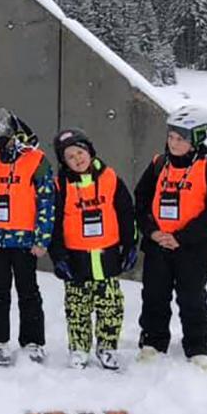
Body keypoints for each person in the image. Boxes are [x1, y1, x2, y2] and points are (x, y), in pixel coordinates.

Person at [133, 104, 207, 370]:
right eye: (171, 137)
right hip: (158, 245)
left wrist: (182, 238)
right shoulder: (159, 164)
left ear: (196, 139)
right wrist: (152, 231)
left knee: (192, 297)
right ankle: (153, 341)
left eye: (181, 139)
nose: (173, 143)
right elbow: (140, 201)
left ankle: (198, 346)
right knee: (154, 295)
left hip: (192, 248)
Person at [0, 108, 54, 366]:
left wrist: (42, 239)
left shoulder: (36, 162)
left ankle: (32, 341)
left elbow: (47, 201)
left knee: (28, 291)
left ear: (4, 140)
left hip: (25, 242)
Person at [49, 128, 136, 370]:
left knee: (111, 307)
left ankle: (107, 347)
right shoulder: (61, 186)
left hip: (107, 258)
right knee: (77, 309)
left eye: (80, 152)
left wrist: (130, 245)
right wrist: (58, 257)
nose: (77, 159)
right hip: (76, 260)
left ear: (89, 151)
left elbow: (127, 213)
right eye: (70, 156)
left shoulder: (110, 178)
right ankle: (79, 348)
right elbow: (53, 225)